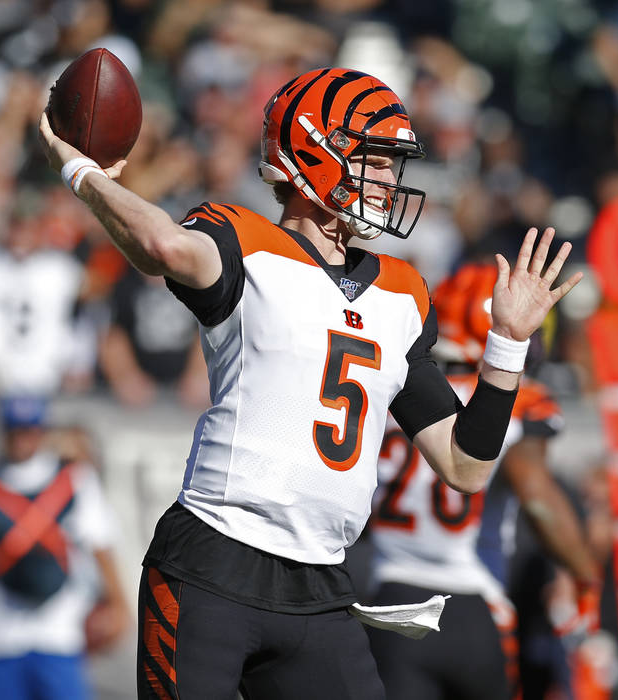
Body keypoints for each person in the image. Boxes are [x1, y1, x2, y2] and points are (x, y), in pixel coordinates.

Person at [37, 67, 583, 699]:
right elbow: (158, 245)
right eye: (374, 159)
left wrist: (508, 343)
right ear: (315, 150)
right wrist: (84, 172)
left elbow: (466, 465)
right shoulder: (244, 240)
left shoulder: (402, 293)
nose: (388, 178)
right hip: (213, 559)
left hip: (322, 583)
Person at [366, 262, 601, 699]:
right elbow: (535, 493)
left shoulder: (399, 391)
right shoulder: (519, 402)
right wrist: (585, 571)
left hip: (390, 600)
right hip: (470, 604)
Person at [0, 395, 129, 700]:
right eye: (14, 431)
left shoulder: (76, 479)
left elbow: (102, 545)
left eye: (29, 430)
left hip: (60, 636)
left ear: (42, 431)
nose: (21, 440)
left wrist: (120, 606)